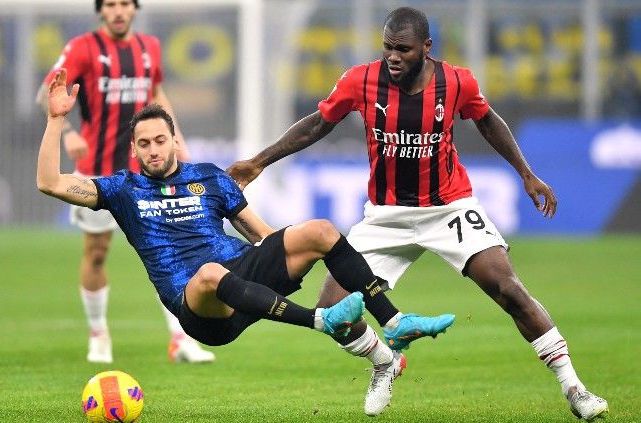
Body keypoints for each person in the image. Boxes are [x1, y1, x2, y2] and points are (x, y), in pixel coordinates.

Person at [226, 7, 608, 421]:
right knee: (336, 311)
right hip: (385, 215)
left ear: (426, 48)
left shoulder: (457, 81)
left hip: (449, 207)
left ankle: (574, 388)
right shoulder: (361, 80)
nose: (393, 56)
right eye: (387, 47)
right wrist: (259, 161)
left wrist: (526, 173)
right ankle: (385, 362)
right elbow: (318, 124)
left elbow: (487, 120)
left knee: (509, 288)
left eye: (403, 50)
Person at [37, 68, 454, 412]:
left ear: (174, 141)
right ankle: (319, 320)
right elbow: (50, 183)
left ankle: (393, 329)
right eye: (143, 144)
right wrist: (57, 120)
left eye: (160, 140)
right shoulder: (122, 190)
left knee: (321, 231)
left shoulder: (210, 178)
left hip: (245, 279)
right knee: (208, 273)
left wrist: (295, 254)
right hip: (202, 308)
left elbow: (264, 235)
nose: (153, 150)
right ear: (134, 149)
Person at [36, 0, 214, 364]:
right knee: (97, 253)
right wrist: (67, 131)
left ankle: (181, 339)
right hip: (98, 173)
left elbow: (157, 94)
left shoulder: (149, 47)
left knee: (171, 251)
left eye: (125, 4)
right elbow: (47, 93)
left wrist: (176, 138)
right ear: (101, 10)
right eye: (111, 5)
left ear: (135, 9)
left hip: (145, 173)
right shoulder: (83, 48)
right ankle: (99, 333)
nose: (118, 11)